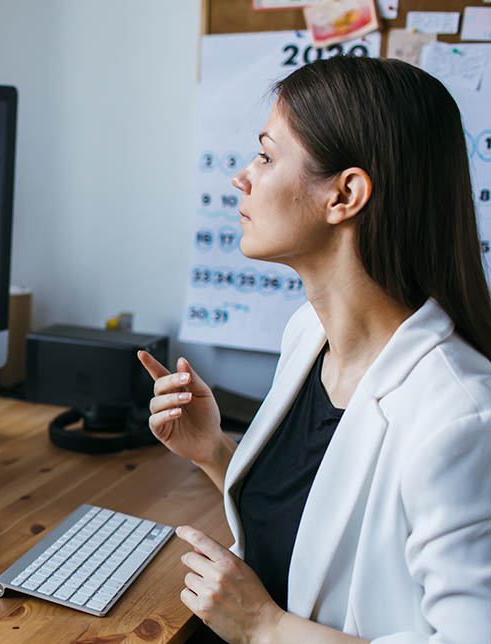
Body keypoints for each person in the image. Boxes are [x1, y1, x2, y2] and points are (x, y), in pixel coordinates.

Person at [138, 56, 491, 644]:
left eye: (267, 156)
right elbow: (317, 520)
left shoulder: (459, 418)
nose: (242, 178)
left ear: (345, 194)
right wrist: (215, 452)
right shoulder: (309, 333)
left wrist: (262, 626)